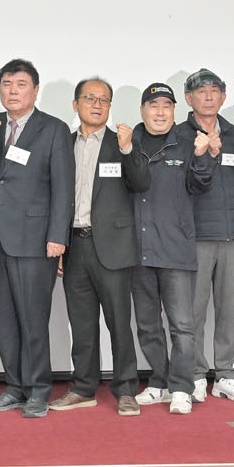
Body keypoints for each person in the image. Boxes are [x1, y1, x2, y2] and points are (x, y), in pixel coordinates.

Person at [0, 59, 73, 419]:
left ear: (35, 90)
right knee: (5, 319)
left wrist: (57, 237)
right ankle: (14, 386)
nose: (13, 91)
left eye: (20, 84)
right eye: (7, 84)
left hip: (35, 239)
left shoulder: (53, 129)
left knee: (33, 318)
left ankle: (38, 390)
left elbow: (63, 187)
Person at [50, 78, 144, 415]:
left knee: (119, 323)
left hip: (113, 247)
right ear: (76, 104)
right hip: (74, 245)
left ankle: (126, 389)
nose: (97, 104)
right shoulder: (63, 143)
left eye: (104, 99)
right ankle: (83, 387)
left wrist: (128, 149)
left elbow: (141, 182)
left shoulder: (121, 142)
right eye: (90, 98)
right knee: (82, 323)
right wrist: (57, 241)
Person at [126, 83, 214, 415]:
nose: (160, 112)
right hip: (138, 251)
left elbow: (200, 185)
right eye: (153, 105)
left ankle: (181, 387)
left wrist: (203, 157)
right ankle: (159, 383)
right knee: (147, 325)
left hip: (176, 251)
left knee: (182, 327)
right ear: (142, 110)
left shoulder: (189, 143)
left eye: (167, 106)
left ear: (175, 111)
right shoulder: (128, 143)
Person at [184, 69, 234, 402]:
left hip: (233, 236)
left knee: (230, 310)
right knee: (193, 311)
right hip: (194, 237)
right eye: (201, 92)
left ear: (224, 97)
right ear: (189, 99)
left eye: (215, 91)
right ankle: (195, 374)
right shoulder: (179, 135)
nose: (209, 97)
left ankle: (226, 374)